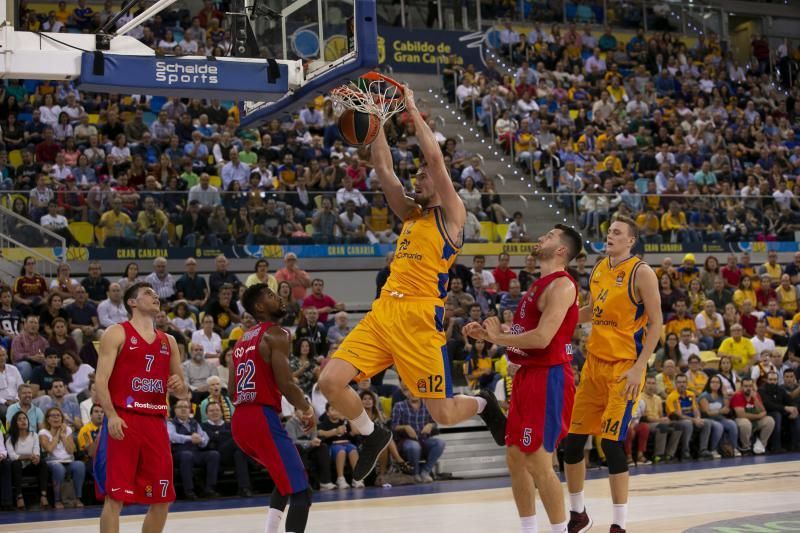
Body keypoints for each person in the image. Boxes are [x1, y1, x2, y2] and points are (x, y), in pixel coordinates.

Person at [318, 86, 507, 486]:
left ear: (440, 184)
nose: (417, 179)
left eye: (422, 176)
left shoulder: (452, 215)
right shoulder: (410, 213)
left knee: (442, 413)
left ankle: (483, 402)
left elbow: (435, 159)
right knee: (330, 382)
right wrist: (376, 121)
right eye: (417, 176)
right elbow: (384, 170)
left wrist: (412, 108)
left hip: (421, 318)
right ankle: (373, 435)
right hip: (385, 311)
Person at [463, 224, 583, 533]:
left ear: (561, 250)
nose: (541, 237)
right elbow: (523, 336)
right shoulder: (537, 284)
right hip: (527, 377)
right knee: (516, 458)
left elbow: (543, 338)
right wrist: (491, 334)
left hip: (549, 380)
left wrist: (497, 339)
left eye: (549, 236)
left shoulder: (562, 286)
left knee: (539, 463)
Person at [563, 216, 663, 533]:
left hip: (625, 368)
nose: (610, 235)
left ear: (631, 240)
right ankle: (578, 514)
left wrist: (639, 367)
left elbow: (657, 324)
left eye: (617, 233)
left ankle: (619, 524)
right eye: (609, 231)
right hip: (594, 364)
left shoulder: (642, 272)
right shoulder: (600, 267)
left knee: (611, 444)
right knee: (573, 443)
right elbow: (594, 309)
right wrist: (560, 322)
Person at [94, 282, 186, 533]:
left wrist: (179, 386)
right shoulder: (116, 332)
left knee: (162, 497)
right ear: (132, 302)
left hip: (156, 422)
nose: (155, 296)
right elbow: (100, 381)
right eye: (148, 293)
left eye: (156, 294)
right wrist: (111, 415)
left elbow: (182, 391)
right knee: (116, 497)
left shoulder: (169, 341)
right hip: (125, 419)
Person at [230, 283, 315, 533]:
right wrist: (306, 409)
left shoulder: (241, 341)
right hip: (260, 418)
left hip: (240, 422)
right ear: (259, 307)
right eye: (270, 295)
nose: (278, 297)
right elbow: (287, 383)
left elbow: (233, 389)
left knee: (284, 477)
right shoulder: (277, 333)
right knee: (302, 492)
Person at [168, 398, 220, 499]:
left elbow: (205, 437)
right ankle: (189, 490)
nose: (183, 409)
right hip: (179, 453)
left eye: (186, 407)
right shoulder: (171, 423)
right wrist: (190, 438)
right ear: (175, 410)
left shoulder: (194, 423)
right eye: (180, 407)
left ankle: (209, 488)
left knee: (214, 454)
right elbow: (171, 436)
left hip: (195, 452)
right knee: (187, 455)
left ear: (190, 410)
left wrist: (201, 440)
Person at [39, 407, 85, 508]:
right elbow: (50, 449)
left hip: (68, 461)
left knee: (80, 465)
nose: (56, 418)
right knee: (58, 468)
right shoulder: (43, 432)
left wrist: (64, 436)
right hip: (52, 462)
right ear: (47, 419)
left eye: (58, 416)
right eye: (53, 416)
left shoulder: (67, 430)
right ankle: (57, 500)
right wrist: (57, 433)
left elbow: (71, 450)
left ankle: (77, 498)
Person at [6, 411, 50, 510]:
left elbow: (36, 451)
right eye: (19, 419)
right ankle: (19, 496)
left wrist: (36, 457)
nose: (23, 421)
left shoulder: (34, 435)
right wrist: (28, 456)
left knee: (42, 462)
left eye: (24, 419)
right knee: (16, 464)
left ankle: (43, 496)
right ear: (15, 423)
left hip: (31, 465)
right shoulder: (10, 439)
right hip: (17, 468)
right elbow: (13, 456)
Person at [731, 377, 774, 454]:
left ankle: (761, 445)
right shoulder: (737, 396)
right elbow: (741, 415)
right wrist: (759, 416)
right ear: (741, 387)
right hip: (740, 420)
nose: (748, 388)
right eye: (746, 386)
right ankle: (746, 447)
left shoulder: (755, 395)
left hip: (754, 419)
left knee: (770, 420)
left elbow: (763, 411)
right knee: (745, 423)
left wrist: (755, 399)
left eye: (750, 386)